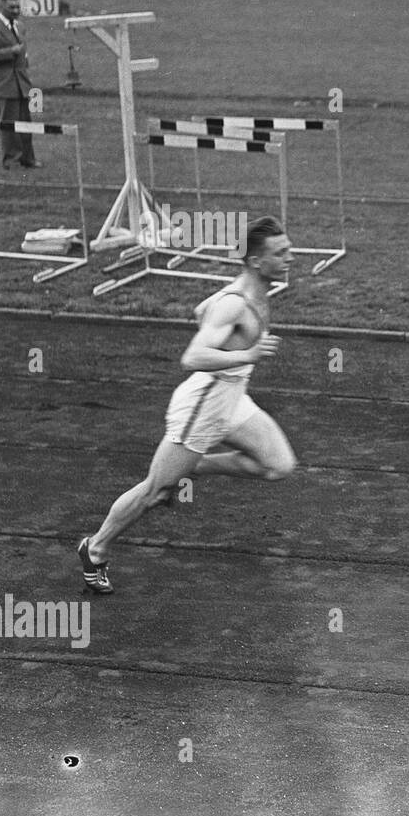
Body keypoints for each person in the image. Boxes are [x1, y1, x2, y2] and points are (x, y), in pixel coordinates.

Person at [77, 218, 297, 595]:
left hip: (231, 400)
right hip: (203, 408)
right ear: (258, 262)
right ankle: (94, 549)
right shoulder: (235, 303)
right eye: (281, 253)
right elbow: (192, 357)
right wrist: (247, 352)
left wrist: (231, 346)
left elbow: (200, 311)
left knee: (278, 465)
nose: (290, 258)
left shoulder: (250, 292)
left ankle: (194, 467)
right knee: (153, 492)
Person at [0, 0, 39, 170]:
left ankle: (28, 159)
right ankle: (12, 161)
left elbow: (23, 54)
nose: (16, 10)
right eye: (12, 7)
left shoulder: (21, 26)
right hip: (5, 83)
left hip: (23, 83)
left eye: (18, 7)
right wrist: (11, 52)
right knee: (9, 125)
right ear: (1, 7)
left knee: (26, 122)